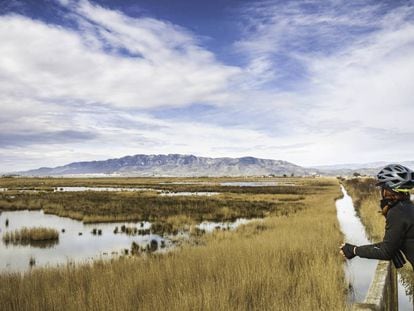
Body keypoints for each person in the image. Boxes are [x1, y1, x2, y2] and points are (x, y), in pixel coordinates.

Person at [340, 164, 414, 268]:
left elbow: (386, 252)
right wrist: (355, 249)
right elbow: (389, 245)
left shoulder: (397, 212)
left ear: (387, 189)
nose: (381, 191)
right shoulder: (408, 207)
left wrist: (354, 250)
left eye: (382, 187)